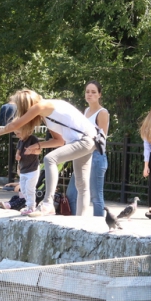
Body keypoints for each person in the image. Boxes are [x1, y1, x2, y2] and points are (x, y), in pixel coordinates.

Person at [0, 89, 97, 217]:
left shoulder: (41, 105)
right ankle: (81, 220)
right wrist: (38, 145)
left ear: (26, 105)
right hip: (84, 139)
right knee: (81, 184)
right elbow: (59, 141)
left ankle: (48, 204)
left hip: (86, 139)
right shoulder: (46, 115)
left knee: (50, 159)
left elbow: (15, 125)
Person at [66, 81, 110, 217]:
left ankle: (99, 228)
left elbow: (102, 138)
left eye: (93, 92)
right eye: (87, 91)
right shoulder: (85, 111)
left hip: (96, 156)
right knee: (71, 194)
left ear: (99, 95)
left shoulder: (102, 113)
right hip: (82, 155)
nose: (89, 94)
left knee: (96, 196)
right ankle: (75, 223)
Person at [1, 124, 42, 215]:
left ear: (26, 130)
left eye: (18, 133)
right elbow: (18, 150)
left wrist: (32, 151)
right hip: (23, 169)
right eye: (16, 133)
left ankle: (31, 207)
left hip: (32, 169)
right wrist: (17, 155)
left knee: (29, 188)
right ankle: (28, 205)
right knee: (23, 189)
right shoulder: (20, 141)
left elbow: (39, 150)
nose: (17, 135)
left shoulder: (33, 139)